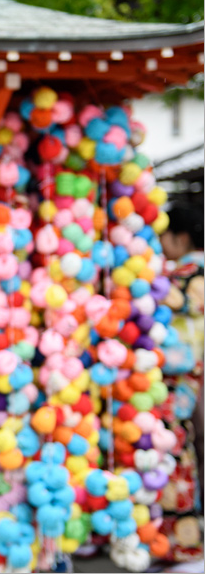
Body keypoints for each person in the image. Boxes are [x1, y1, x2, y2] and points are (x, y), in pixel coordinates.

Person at [159, 200, 204, 562]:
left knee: (176, 451)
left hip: (182, 376)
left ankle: (182, 543)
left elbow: (157, 297)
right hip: (197, 375)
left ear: (181, 237)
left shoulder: (185, 274)